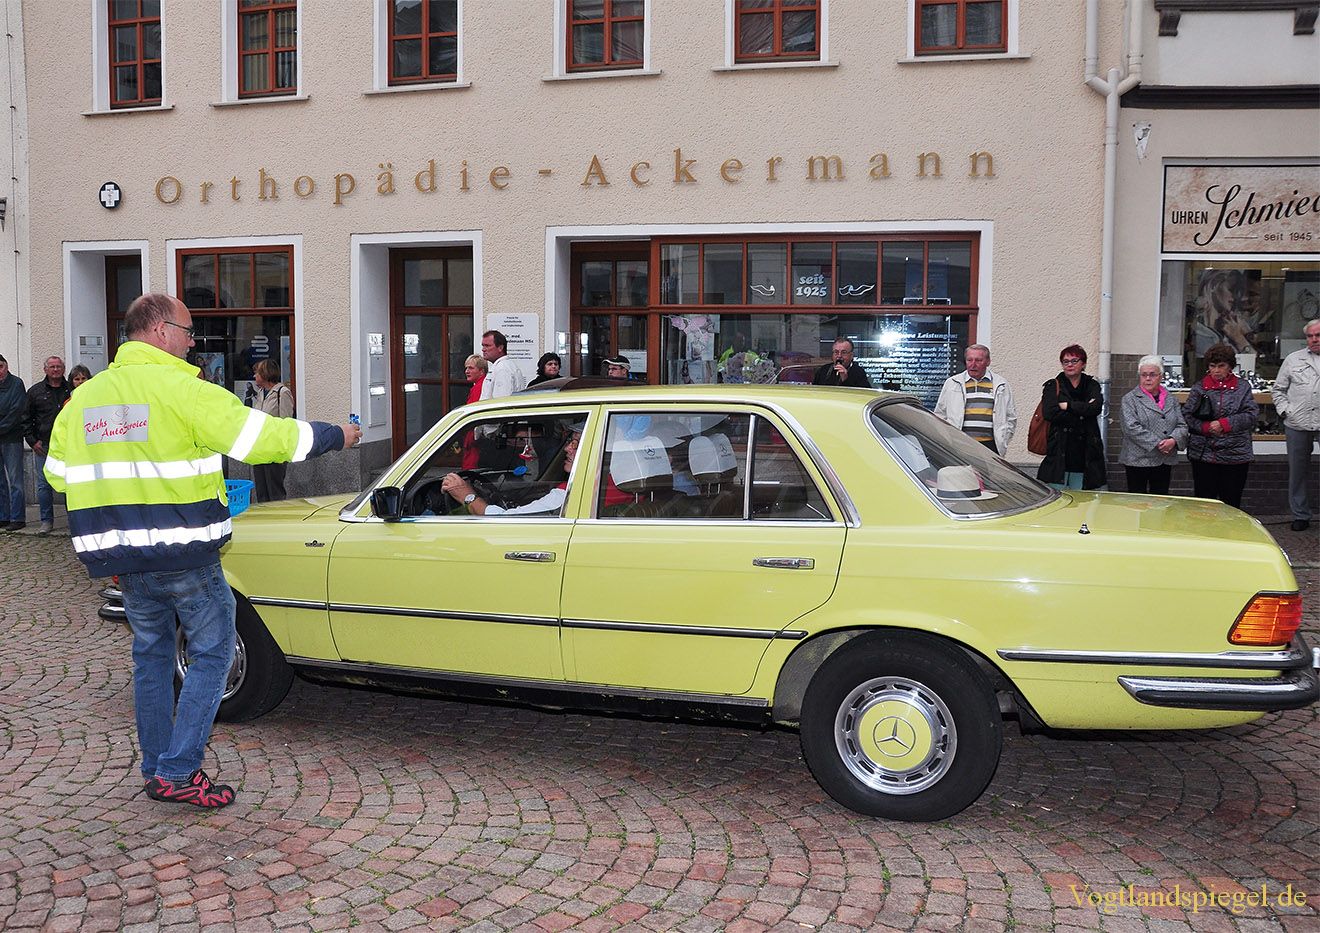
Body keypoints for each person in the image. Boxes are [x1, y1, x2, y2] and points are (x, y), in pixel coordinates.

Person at [44, 293, 361, 809]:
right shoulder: (184, 391)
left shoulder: (84, 401)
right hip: (185, 552)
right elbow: (264, 439)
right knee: (213, 654)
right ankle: (178, 770)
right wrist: (335, 435)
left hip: (125, 559)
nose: (194, 343)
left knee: (151, 657)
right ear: (160, 331)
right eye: (190, 332)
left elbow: (57, 475)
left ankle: (155, 765)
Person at [1182, 342, 1258, 509]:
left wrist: (1225, 424)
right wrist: (1205, 427)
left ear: (1230, 366)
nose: (1216, 370)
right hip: (1204, 455)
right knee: (1204, 504)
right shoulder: (1199, 388)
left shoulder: (1242, 387)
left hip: (1235, 455)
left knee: (1231, 504)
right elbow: (1186, 415)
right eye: (1212, 366)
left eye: (1221, 366)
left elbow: (1251, 415)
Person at [1271, 318, 1320, 530]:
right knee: (1298, 472)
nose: (1314, 339)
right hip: (1297, 423)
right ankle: (1300, 515)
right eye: (1310, 336)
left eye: (1318, 335)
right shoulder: (1293, 359)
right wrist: (1285, 412)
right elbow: (1278, 390)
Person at [1036, 344, 1106, 490]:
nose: (1069, 365)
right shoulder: (1052, 385)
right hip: (1059, 451)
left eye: (1074, 361)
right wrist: (1082, 413)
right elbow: (1050, 413)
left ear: (1083, 364)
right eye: (1065, 361)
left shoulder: (1092, 385)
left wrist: (1067, 406)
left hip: (1086, 453)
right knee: (1058, 499)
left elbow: (1095, 408)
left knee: (1082, 502)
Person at [1118, 356, 1187, 495]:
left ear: (1160, 376)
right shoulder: (1129, 399)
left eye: (1152, 374)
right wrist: (1160, 444)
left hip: (1164, 460)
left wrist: (1173, 440)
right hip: (1138, 460)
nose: (1148, 378)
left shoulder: (1171, 399)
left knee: (1160, 502)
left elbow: (1182, 425)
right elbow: (1131, 428)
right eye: (1144, 375)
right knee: (1138, 504)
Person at [933, 344, 1018, 455]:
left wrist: (1004, 438)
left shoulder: (1001, 384)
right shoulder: (952, 383)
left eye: (978, 360)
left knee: (987, 473)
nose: (973, 364)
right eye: (969, 360)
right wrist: (948, 438)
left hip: (991, 446)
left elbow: (1010, 416)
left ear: (988, 362)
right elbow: (940, 414)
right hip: (960, 444)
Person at [24, 356, 72, 533]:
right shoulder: (35, 391)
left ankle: (72, 521)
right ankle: (46, 521)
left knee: (70, 483)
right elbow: (25, 418)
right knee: (44, 485)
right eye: (52, 367)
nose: (55, 370)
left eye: (59, 366)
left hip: (68, 445)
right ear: (45, 370)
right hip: (43, 445)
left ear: (64, 369)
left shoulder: (71, 390)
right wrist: (32, 441)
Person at [251, 358, 295, 502]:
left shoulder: (282, 393)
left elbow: (286, 422)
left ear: (265, 374)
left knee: (275, 491)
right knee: (261, 491)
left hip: (275, 449)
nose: (254, 376)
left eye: (257, 373)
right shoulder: (260, 393)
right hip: (260, 448)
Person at [0, 354, 27, 531]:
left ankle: (18, 517)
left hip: (11, 437)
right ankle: (3, 516)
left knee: (15, 480)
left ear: (6, 366)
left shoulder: (16, 384)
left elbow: (16, 411)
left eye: (0, 366)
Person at [478, 330, 526, 400]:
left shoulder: (503, 369)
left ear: (500, 348)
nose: (483, 349)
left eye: (487, 346)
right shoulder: (501, 366)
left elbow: (501, 402)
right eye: (483, 346)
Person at [460, 354, 487, 469]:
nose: (467, 371)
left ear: (481, 371)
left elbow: (473, 413)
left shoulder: (478, 388)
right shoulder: (480, 385)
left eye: (471, 368)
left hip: (473, 437)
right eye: (466, 368)